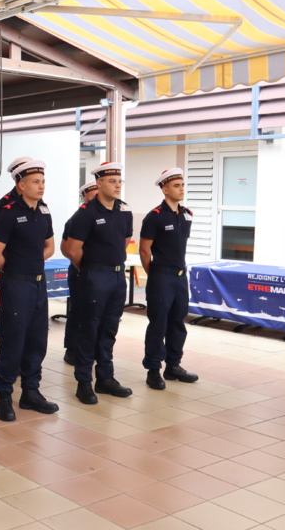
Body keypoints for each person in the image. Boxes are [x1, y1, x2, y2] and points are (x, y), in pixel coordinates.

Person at [0, 160, 59, 419]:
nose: (41, 187)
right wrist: (16, 272)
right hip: (16, 282)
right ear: (21, 185)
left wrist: (33, 265)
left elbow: (50, 246)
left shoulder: (44, 211)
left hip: (38, 281)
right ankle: (4, 394)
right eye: (35, 182)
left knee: (37, 338)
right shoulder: (8, 211)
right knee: (13, 338)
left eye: (42, 182)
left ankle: (31, 392)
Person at [64, 162, 134, 405]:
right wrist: (92, 267)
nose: (117, 185)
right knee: (89, 329)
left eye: (119, 181)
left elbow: (124, 241)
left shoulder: (124, 211)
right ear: (99, 184)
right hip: (94, 276)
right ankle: (84, 382)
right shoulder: (87, 213)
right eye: (112, 181)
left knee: (109, 329)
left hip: (117, 277)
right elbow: (72, 250)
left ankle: (105, 378)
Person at [140, 168, 199, 389]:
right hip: (161, 276)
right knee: (159, 323)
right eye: (176, 185)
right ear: (165, 189)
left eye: (183, 185)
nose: (181, 189)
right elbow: (145, 251)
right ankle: (153, 369)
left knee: (178, 321)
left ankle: (173, 365)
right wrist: (154, 275)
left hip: (180, 276)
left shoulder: (186, 215)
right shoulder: (154, 216)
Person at [60, 181, 99, 365]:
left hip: (98, 272)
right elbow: (66, 248)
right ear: (85, 197)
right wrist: (82, 266)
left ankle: (93, 348)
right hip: (79, 270)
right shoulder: (78, 218)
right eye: (92, 196)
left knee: (96, 312)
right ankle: (72, 349)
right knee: (78, 310)